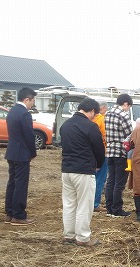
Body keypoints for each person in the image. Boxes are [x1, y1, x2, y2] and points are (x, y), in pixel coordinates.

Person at [60, 97, 105, 246]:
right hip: (84, 170)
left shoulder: (65, 125)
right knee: (85, 205)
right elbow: (99, 149)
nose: (95, 116)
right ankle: (83, 237)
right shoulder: (90, 127)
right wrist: (98, 164)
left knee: (69, 204)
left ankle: (69, 235)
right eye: (95, 113)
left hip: (67, 169)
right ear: (91, 111)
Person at [4, 87, 37, 226]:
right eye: (32, 101)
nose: (32, 104)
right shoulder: (24, 114)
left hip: (11, 151)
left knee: (12, 182)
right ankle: (18, 215)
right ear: (27, 99)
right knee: (21, 185)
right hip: (22, 153)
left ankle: (10, 212)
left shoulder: (11, 111)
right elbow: (29, 136)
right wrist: (33, 152)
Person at [104, 94, 133, 217]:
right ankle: (117, 209)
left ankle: (109, 207)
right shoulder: (123, 115)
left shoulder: (107, 114)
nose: (128, 109)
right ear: (125, 104)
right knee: (119, 182)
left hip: (110, 151)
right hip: (121, 152)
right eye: (129, 106)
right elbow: (131, 134)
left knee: (110, 180)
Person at [93, 100, 108, 212]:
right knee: (100, 178)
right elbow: (104, 137)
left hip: (90, 153)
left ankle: (88, 202)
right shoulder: (102, 120)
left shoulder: (91, 119)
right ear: (102, 108)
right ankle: (95, 203)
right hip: (102, 153)